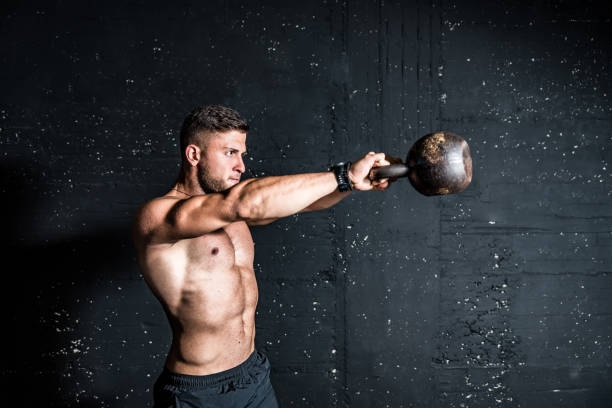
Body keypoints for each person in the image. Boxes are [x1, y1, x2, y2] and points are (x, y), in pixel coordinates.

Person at [132, 105, 396, 407]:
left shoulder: (229, 212)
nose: (241, 165)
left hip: (253, 376)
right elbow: (245, 203)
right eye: (230, 153)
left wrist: (356, 183)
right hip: (197, 392)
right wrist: (344, 174)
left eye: (242, 154)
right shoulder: (158, 216)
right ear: (194, 155)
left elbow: (307, 202)